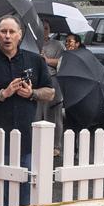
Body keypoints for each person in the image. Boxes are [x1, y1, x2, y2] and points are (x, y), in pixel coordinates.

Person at [0, 15, 54, 168]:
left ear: (19, 34)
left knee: (25, 189)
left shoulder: (35, 60)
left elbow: (50, 93)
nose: (7, 36)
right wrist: (3, 94)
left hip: (26, 142)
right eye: (3, 31)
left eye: (12, 32)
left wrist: (32, 93)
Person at [37, 20, 65, 152]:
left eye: (46, 28)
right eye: (41, 28)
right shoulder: (32, 43)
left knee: (54, 114)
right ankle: (36, 144)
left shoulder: (58, 45)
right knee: (36, 114)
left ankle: (55, 146)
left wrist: (46, 60)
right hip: (36, 82)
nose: (44, 30)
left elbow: (63, 63)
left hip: (53, 79)